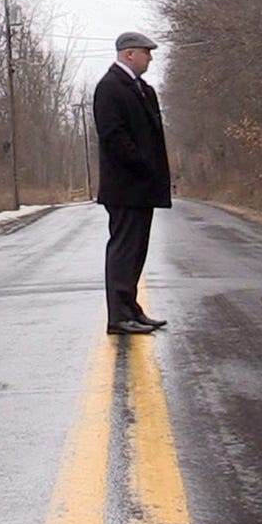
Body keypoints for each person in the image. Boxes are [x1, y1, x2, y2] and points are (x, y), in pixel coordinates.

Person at [94, 31, 172, 335]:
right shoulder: (110, 87)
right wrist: (141, 164)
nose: (150, 58)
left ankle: (131, 308)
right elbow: (113, 136)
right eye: (146, 52)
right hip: (125, 186)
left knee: (137, 250)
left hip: (143, 187)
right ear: (129, 54)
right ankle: (118, 316)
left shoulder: (143, 89)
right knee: (123, 249)